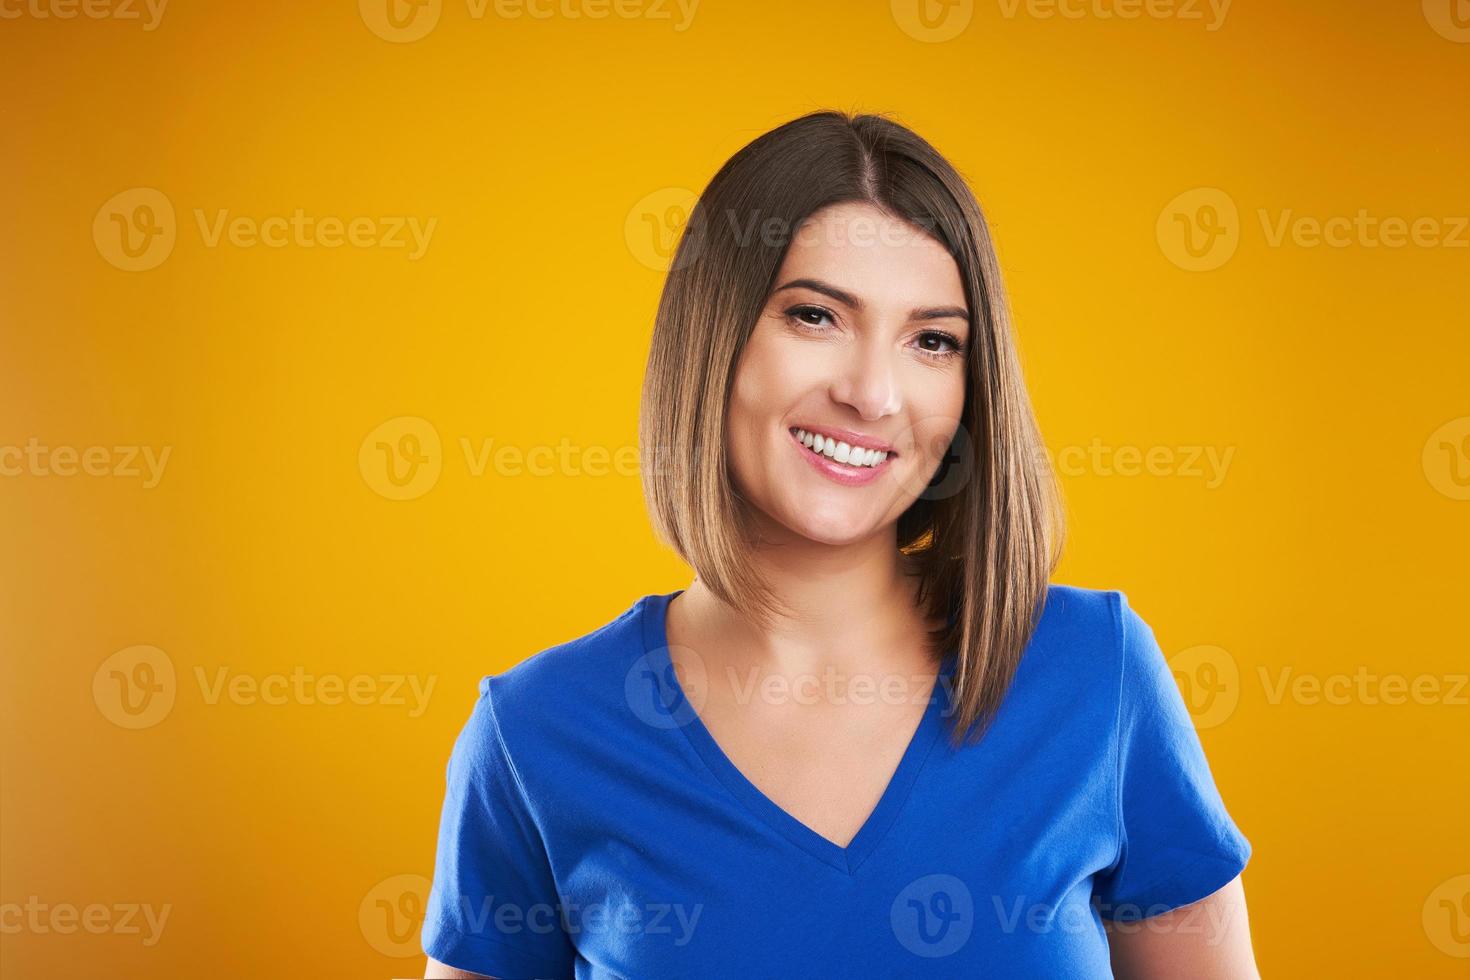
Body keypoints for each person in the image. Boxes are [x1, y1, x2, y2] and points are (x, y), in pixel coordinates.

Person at [422, 110, 1257, 979]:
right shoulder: (536, 734)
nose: (872, 393)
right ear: (714, 338)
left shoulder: (1096, 675)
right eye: (816, 316)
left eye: (933, 340)